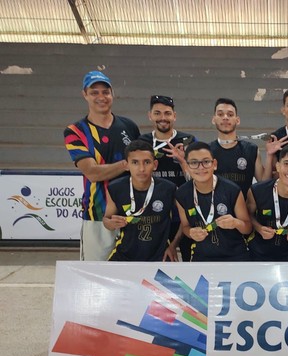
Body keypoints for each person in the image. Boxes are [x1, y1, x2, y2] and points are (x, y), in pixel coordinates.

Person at [64, 71, 140, 261]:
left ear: (112, 94)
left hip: (132, 213)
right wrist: (127, 165)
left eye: (105, 92)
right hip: (97, 215)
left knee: (133, 275)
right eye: (94, 92)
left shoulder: (129, 126)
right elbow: (92, 172)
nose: (101, 97)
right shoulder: (75, 131)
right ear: (85, 94)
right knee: (96, 276)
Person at [139, 95, 196, 261]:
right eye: (157, 113)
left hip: (186, 214)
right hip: (155, 216)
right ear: (150, 115)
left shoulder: (189, 141)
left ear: (174, 116)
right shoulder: (143, 142)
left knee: (190, 263)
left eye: (167, 113)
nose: (163, 118)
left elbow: (198, 180)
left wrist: (183, 161)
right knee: (159, 264)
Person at [176, 141, 252, 261]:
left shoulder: (231, 189)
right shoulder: (182, 193)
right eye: (194, 163)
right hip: (202, 256)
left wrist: (235, 223)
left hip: (235, 256)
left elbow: (247, 227)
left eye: (206, 162)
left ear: (214, 164)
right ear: (187, 166)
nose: (201, 167)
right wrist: (190, 232)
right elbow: (185, 226)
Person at [103, 140, 177, 261]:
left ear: (155, 164)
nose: (141, 168)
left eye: (147, 162)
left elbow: (184, 222)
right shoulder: (115, 188)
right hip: (124, 256)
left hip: (160, 256)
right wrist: (110, 223)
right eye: (135, 162)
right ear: (126, 165)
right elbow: (107, 219)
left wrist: (173, 245)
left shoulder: (169, 189)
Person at [246, 144, 288, 261]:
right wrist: (259, 228)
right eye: (286, 164)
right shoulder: (257, 191)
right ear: (277, 166)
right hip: (257, 254)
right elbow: (248, 216)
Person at [209, 98, 274, 197]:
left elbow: (263, 183)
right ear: (213, 119)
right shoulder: (207, 151)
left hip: (244, 209)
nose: (225, 118)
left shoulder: (251, 149)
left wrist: (269, 155)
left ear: (237, 120)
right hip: (215, 210)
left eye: (230, 115)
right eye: (220, 114)